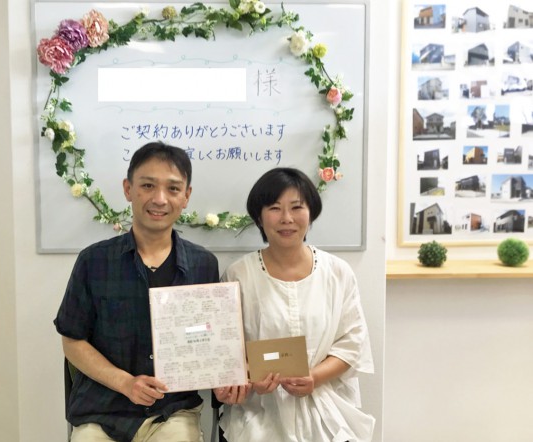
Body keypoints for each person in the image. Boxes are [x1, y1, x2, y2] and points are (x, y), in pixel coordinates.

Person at [54, 141, 219, 442]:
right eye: (147, 185)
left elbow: (209, 341)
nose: (160, 199)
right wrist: (125, 383)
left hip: (172, 411)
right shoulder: (93, 260)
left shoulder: (203, 264)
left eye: (173, 188)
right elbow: (72, 340)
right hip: (102, 410)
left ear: (186, 196)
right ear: (128, 189)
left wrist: (228, 378)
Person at [214, 167, 375, 442]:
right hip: (258, 414)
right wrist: (251, 379)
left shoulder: (337, 272)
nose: (286, 218)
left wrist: (314, 377)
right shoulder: (238, 275)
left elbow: (352, 344)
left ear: (311, 212)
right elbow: (227, 350)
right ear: (259, 217)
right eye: (274, 208)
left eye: (297, 207)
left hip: (327, 410)